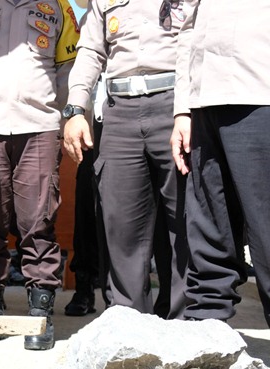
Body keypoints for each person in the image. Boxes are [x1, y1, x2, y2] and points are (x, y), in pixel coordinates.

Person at [63, 0, 195, 320]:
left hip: (175, 105)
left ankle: (183, 324)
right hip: (119, 110)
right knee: (120, 225)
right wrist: (75, 108)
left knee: (184, 221)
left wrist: (188, 107)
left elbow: (197, 40)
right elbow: (91, 50)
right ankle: (129, 323)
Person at [0, 0, 79, 350]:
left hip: (39, 127)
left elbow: (68, 68)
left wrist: (57, 113)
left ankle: (39, 315)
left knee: (38, 219)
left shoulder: (59, 7)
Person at [171, 2, 270, 326]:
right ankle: (208, 323)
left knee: (265, 225)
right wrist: (183, 108)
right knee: (209, 222)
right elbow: (188, 29)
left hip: (259, 93)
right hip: (204, 99)